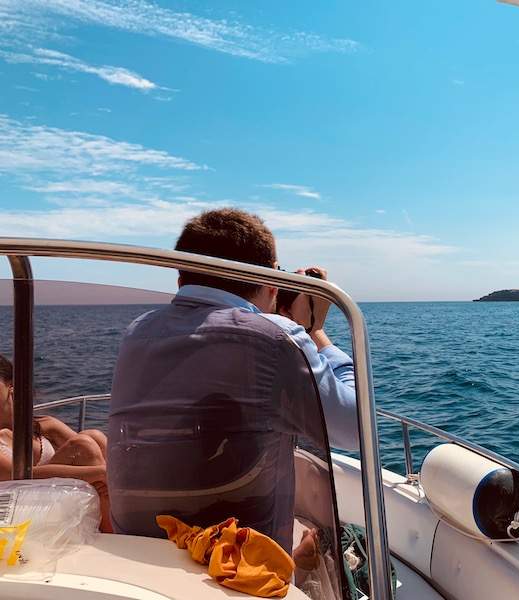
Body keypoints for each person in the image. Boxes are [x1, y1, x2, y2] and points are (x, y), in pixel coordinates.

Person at [108, 208, 358, 554]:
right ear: (272, 281)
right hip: (237, 568)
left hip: (139, 550)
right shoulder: (278, 338)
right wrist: (314, 331)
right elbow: (355, 428)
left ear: (181, 280)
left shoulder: (138, 331)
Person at [0, 353, 111, 531]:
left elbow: (98, 453)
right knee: (82, 447)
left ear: (10, 386)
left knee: (94, 436)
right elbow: (18, 475)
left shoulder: (45, 425)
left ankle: (124, 512)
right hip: (20, 506)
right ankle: (114, 533)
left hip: (55, 498)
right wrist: (99, 472)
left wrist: (105, 473)